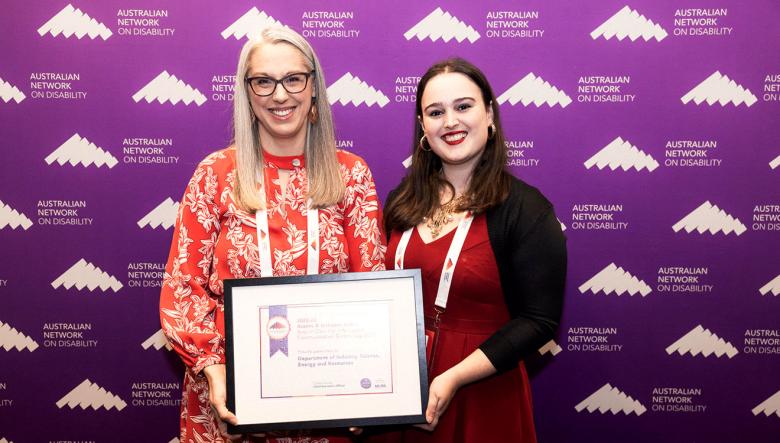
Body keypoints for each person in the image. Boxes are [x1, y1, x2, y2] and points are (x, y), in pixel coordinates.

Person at [159, 27, 385, 443]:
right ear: (247, 92)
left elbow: (370, 288)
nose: (280, 95)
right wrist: (214, 370)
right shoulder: (215, 175)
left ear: (313, 85)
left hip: (327, 398)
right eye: (263, 81)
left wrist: (367, 386)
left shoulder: (351, 175)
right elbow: (183, 288)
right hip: (230, 400)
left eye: (293, 79)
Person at [380, 58, 566, 442]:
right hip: (402, 392)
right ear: (423, 128)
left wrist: (453, 378)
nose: (450, 121)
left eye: (463, 106)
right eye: (436, 112)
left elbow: (539, 320)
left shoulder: (526, 209)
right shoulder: (402, 200)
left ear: (490, 116)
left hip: (483, 393)